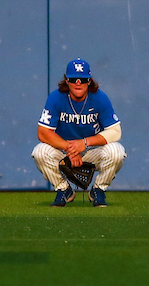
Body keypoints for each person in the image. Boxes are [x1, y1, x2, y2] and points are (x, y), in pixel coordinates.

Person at [32, 58, 126, 207]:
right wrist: (70, 149)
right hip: (64, 153)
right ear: (67, 81)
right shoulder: (56, 98)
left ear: (89, 81)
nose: (78, 83)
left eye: (82, 80)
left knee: (117, 152)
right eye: (73, 79)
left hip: (91, 152)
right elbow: (43, 132)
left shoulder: (100, 98)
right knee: (40, 152)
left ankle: (98, 189)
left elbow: (115, 131)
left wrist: (84, 143)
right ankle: (64, 189)